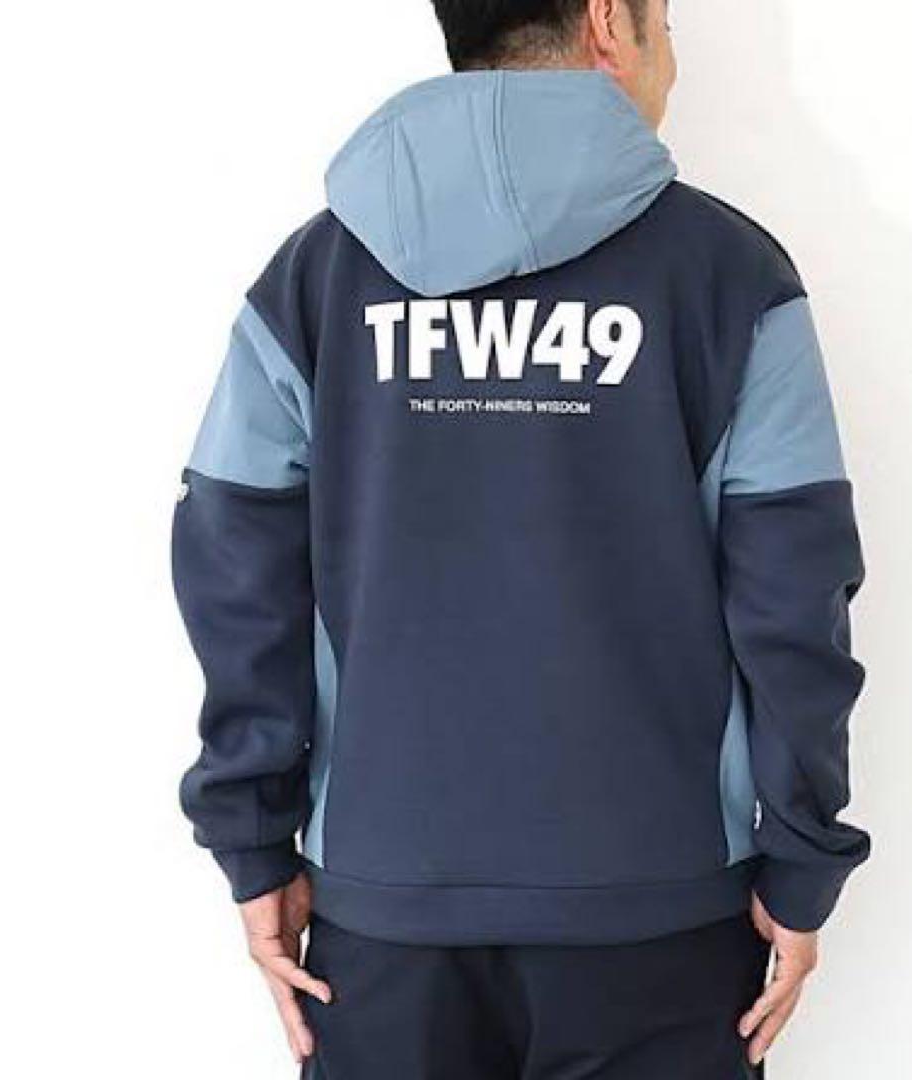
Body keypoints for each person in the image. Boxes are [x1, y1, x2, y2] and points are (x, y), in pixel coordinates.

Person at [171, 1, 870, 1075]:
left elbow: (235, 567)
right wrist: (802, 857)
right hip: (664, 916)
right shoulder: (731, 276)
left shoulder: (315, 275)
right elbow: (794, 592)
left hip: (386, 915)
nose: (672, 57)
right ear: (608, 21)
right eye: (667, 19)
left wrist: (253, 840)